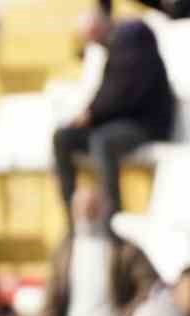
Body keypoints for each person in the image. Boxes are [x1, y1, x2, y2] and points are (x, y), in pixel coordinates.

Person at [52, 11, 175, 220]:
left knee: (102, 140)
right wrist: (88, 115)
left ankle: (113, 221)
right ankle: (72, 220)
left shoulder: (133, 38)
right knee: (63, 137)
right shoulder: (115, 47)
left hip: (145, 124)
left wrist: (91, 114)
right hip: (117, 121)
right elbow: (108, 91)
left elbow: (123, 93)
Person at [41, 185, 159, 316]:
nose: (86, 213)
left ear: (105, 208)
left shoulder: (124, 250)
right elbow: (51, 299)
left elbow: (152, 287)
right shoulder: (64, 251)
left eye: (93, 206)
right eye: (81, 207)